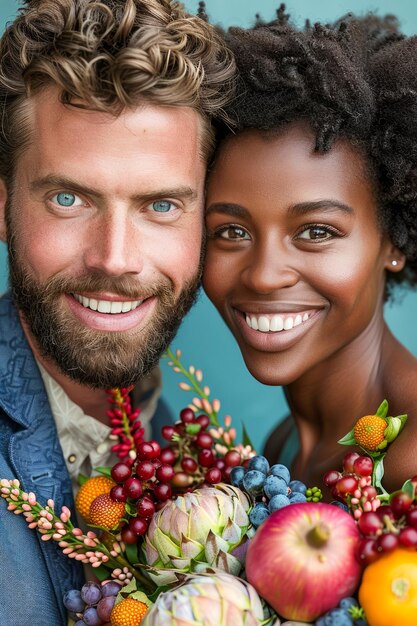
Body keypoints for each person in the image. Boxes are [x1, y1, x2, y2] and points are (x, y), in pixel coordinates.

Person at [0, 0, 235, 623]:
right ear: (2, 208)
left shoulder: (205, 464)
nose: (115, 259)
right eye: (69, 197)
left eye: (160, 206)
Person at [204, 10, 417, 494]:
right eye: (231, 232)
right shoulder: (283, 447)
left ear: (393, 241)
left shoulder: (408, 464)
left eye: (317, 231)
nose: (263, 275)